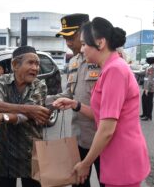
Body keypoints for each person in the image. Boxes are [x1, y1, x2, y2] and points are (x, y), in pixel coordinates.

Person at [53, 18, 150, 187]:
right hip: (114, 153)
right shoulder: (110, 68)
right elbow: (101, 114)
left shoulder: (115, 70)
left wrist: (85, 164)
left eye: (84, 44)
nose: (82, 50)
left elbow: (106, 129)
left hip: (121, 157)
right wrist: (74, 104)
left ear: (100, 42)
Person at [47, 13, 101, 187]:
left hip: (102, 140)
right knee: (78, 183)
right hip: (79, 138)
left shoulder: (104, 59)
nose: (68, 43)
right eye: (65, 38)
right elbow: (69, 94)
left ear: (86, 32)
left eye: (71, 37)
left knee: (107, 182)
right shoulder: (73, 62)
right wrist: (44, 102)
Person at [0, 46, 51, 187]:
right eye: (31, 63)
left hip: (29, 154)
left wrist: (1, 116)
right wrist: (28, 108)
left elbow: (24, 117)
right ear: (15, 65)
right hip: (3, 155)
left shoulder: (40, 85)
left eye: (37, 64)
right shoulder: (2, 81)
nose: (35, 68)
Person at [140, 52, 154, 121]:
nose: (146, 60)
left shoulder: (152, 67)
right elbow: (144, 73)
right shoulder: (150, 66)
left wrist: (147, 89)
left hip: (149, 87)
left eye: (147, 59)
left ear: (150, 59)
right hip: (147, 86)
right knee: (144, 99)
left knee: (148, 101)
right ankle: (144, 113)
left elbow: (150, 79)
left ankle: (148, 116)